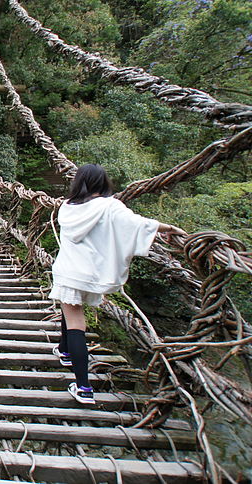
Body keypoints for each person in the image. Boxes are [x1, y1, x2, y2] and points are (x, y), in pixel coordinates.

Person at [50, 164, 186, 405]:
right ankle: (68, 355)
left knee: (73, 317)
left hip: (67, 270)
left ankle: (82, 385)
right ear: (102, 182)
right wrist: (168, 228)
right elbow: (137, 224)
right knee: (74, 316)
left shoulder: (66, 207)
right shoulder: (110, 206)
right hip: (90, 272)